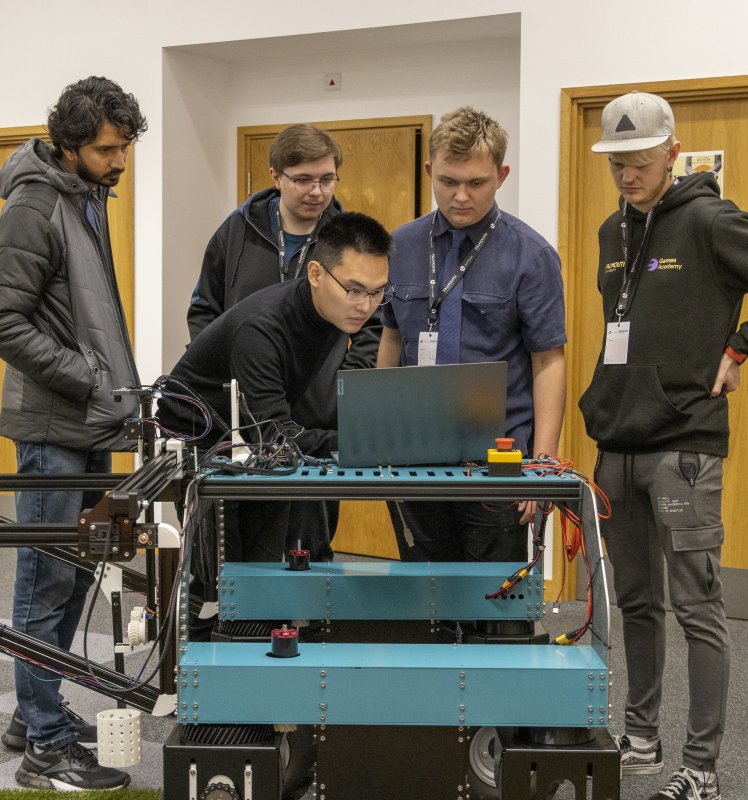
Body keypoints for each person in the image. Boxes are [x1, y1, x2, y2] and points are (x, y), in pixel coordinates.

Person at [581, 91, 748, 800]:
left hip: (685, 444)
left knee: (698, 606)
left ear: (673, 152)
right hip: (617, 442)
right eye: (616, 164)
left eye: (639, 162)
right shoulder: (613, 232)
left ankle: (701, 767)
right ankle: (640, 738)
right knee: (637, 603)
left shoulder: (709, 219)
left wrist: (742, 345)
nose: (626, 175)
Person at [0, 76, 147, 790]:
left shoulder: (86, 199)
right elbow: (6, 321)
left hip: (91, 420)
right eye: (106, 149)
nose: (119, 160)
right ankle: (45, 752)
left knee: (80, 567)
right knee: (46, 577)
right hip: (55, 422)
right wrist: (89, 375)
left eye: (123, 147)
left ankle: (35, 713)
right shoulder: (34, 205)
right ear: (68, 144)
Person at [377, 106, 566, 562]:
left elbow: (548, 361)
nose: (461, 196)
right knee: (425, 597)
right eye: (448, 181)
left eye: (476, 183)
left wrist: (542, 466)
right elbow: (392, 340)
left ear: (501, 175)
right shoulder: (400, 246)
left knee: (494, 604)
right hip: (413, 456)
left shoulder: (531, 255)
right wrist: (378, 437)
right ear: (429, 172)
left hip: (497, 465)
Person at [187, 124, 378, 561]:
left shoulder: (348, 238)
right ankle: (245, 623)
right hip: (243, 413)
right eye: (303, 179)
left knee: (307, 539)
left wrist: (346, 380)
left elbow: (372, 321)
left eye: (326, 179)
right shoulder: (236, 231)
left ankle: (304, 622)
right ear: (276, 177)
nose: (316, 191)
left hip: (314, 408)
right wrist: (229, 378)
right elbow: (204, 310)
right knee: (243, 538)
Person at [158, 211, 392, 563]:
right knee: (225, 573)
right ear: (315, 274)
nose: (365, 306)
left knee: (276, 559)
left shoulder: (334, 310)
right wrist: (368, 443)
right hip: (202, 440)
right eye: (354, 290)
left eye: (377, 293)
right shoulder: (261, 329)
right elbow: (275, 437)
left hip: (251, 435)